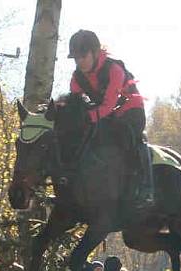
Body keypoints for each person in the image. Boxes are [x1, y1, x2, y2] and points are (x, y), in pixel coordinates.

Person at [67, 29, 153, 207]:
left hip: (130, 112)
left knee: (125, 137)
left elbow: (108, 104)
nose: (80, 62)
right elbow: (78, 105)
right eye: (76, 58)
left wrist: (86, 118)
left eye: (83, 56)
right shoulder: (76, 79)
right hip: (106, 115)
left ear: (96, 53)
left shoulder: (114, 70)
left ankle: (145, 188)